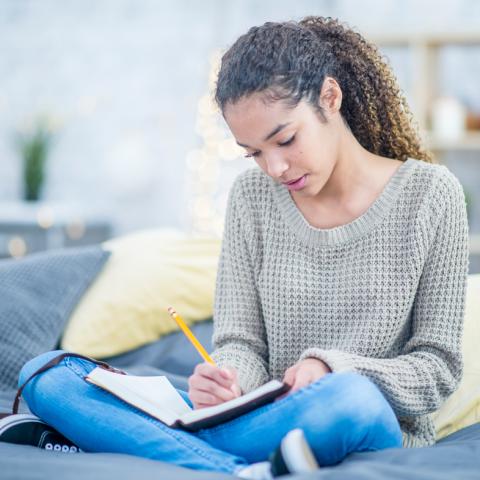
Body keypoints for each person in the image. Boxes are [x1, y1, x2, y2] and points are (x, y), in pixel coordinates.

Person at [4, 15, 469, 480]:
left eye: (285, 139)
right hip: (256, 420)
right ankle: (238, 470)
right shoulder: (252, 198)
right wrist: (227, 380)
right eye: (254, 153)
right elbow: (240, 344)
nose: (276, 167)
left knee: (351, 398)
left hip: (349, 416)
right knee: (47, 374)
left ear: (331, 97)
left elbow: (438, 369)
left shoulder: (431, 196)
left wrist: (331, 368)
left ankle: (154, 446)